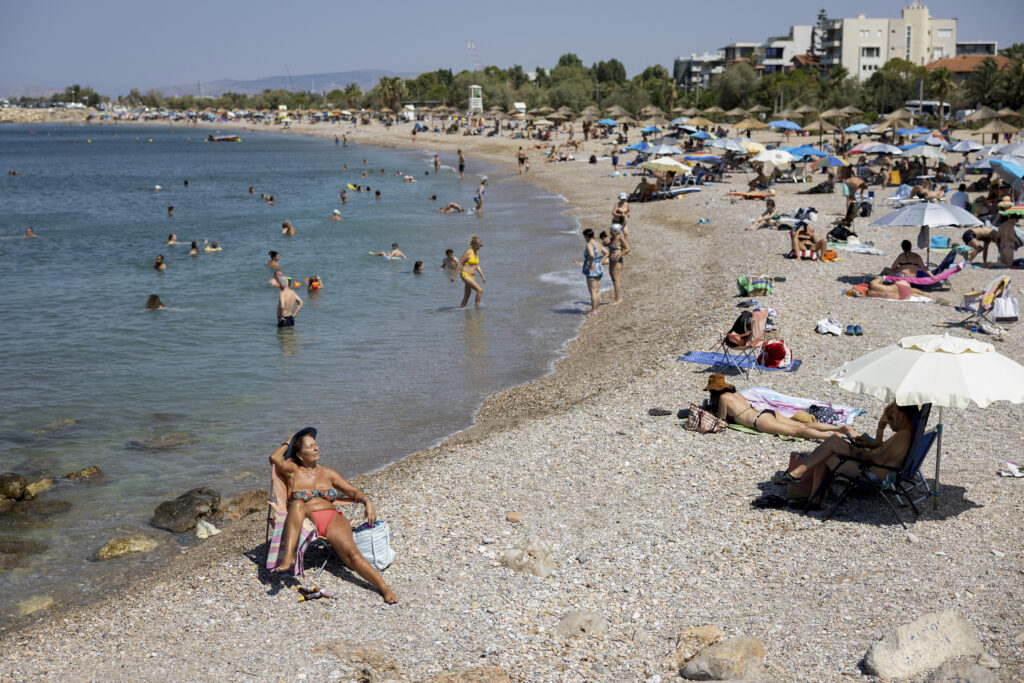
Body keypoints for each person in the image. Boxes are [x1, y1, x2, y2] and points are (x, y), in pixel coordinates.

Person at [269, 428, 398, 604]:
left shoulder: (328, 473)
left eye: (316, 444)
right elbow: (274, 459)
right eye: (310, 446)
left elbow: (352, 491)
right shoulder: (292, 470)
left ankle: (384, 587)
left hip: (332, 518)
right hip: (306, 519)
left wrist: (367, 501)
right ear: (299, 455)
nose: (316, 448)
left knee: (352, 555)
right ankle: (289, 557)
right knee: (298, 504)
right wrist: (287, 442)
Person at [773, 402, 918, 506]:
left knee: (833, 443)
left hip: (873, 473)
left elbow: (878, 460)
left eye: (891, 417)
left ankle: (797, 476)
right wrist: (879, 430)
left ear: (901, 415)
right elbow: (883, 451)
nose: (890, 423)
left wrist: (857, 452)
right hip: (871, 467)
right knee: (828, 451)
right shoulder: (905, 434)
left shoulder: (903, 436)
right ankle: (812, 498)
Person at [705, 374, 856, 440]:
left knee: (799, 431)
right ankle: (839, 428)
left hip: (760, 421)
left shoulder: (723, 398)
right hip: (766, 412)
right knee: (804, 424)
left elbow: (721, 420)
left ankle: (830, 437)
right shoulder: (735, 393)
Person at [572, 228, 607, 315]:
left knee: (592, 291)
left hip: (592, 270)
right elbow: (606, 252)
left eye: (584, 236)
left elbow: (591, 255)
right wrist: (601, 262)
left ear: (587, 236)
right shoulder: (597, 243)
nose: (584, 238)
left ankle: (594, 310)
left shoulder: (589, 244)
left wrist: (591, 264)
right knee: (597, 290)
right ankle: (597, 308)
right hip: (599, 268)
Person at [452, 235, 486, 307]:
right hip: (465, 274)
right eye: (478, 245)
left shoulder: (476, 253)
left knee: (467, 296)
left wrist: (482, 276)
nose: (479, 247)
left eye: (480, 245)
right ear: (474, 244)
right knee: (480, 290)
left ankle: (461, 309)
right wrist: (454, 276)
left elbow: (477, 266)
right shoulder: (468, 252)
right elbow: (460, 262)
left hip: (471, 276)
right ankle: (477, 308)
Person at [606, 224, 631, 305]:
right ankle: (616, 298)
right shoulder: (612, 238)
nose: (610, 231)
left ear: (616, 231)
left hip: (617, 261)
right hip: (612, 260)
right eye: (610, 230)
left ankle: (619, 299)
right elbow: (606, 245)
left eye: (611, 230)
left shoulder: (620, 238)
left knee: (616, 279)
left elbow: (628, 248)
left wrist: (620, 254)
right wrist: (604, 242)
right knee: (613, 278)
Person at [850, 277, 932, 300]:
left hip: (903, 297)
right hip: (903, 286)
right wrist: (878, 280)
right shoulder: (872, 284)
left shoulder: (870, 295)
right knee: (908, 289)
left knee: (909, 292)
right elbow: (879, 278)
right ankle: (926, 294)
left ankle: (921, 295)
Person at [997, 201, 1022, 266]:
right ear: (1013, 218)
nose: (1016, 222)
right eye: (1016, 220)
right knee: (1009, 264)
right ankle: (992, 264)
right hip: (1008, 247)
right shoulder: (1010, 225)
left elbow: (998, 236)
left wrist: (998, 247)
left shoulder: (1001, 225)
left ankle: (989, 264)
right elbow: (1011, 237)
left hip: (1002, 247)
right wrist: (1017, 241)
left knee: (1003, 263)